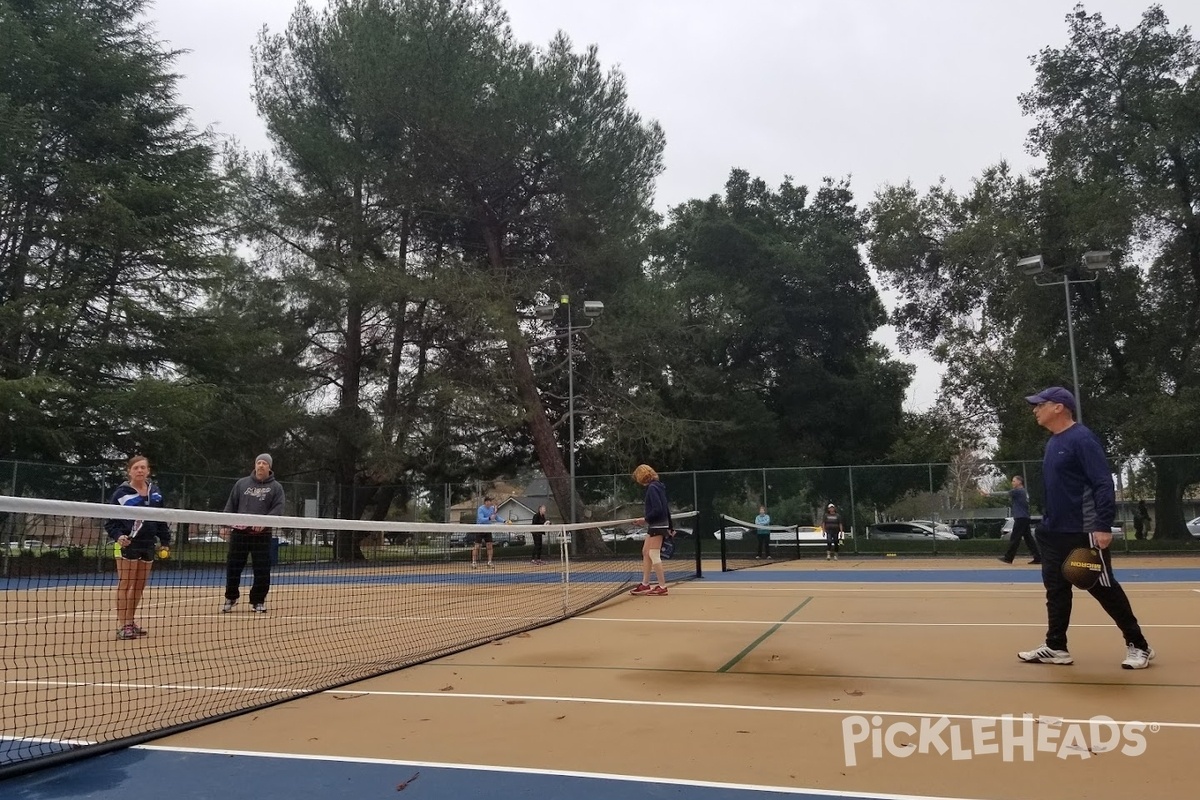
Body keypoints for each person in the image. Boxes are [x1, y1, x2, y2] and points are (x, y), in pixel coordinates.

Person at [1018, 387, 1154, 669]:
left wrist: (1102, 525)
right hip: (1054, 532)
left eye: (1039, 405)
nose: (1035, 410)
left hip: (1084, 531)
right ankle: (1056, 646)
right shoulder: (1053, 442)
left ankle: (1139, 645)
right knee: (1056, 589)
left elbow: (1103, 483)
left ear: (1058, 407)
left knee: (1103, 588)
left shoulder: (1082, 439)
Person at [104, 455, 171, 640]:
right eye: (136, 468)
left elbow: (161, 519)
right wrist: (119, 536)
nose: (140, 470)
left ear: (148, 471)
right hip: (127, 545)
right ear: (130, 471)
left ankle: (130, 621)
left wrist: (165, 541)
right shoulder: (121, 494)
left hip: (148, 544)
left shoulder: (155, 493)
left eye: (143, 468)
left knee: (140, 586)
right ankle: (124, 625)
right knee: (126, 584)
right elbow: (110, 522)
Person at [221, 454, 285, 614]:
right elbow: (231, 504)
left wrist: (264, 522)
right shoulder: (241, 484)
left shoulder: (276, 487)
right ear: (255, 465)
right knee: (233, 566)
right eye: (258, 462)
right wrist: (224, 524)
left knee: (262, 568)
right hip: (240, 534)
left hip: (262, 537)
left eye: (264, 463)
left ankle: (258, 600)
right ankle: (231, 597)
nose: (261, 465)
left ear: (269, 467)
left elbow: (278, 507)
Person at [629, 464, 672, 596]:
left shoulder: (653, 488)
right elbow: (666, 508)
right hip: (657, 525)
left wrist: (645, 519)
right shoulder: (658, 486)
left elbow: (659, 509)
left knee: (653, 554)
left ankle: (662, 586)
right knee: (645, 552)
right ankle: (645, 584)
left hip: (657, 525)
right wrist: (670, 526)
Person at [998, 476, 1041, 564]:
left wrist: (988, 494)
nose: (1012, 483)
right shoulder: (1024, 492)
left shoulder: (1018, 491)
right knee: (1029, 539)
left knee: (1015, 538)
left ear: (1019, 482)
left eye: (1014, 481)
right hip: (1025, 517)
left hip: (1020, 518)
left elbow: (1004, 493)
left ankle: (1008, 558)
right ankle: (1038, 557)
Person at [472, 496, 499, 568]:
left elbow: (496, 517)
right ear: (484, 503)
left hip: (488, 529)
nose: (488, 503)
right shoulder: (480, 509)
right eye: (486, 501)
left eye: (489, 501)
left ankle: (489, 562)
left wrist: (505, 521)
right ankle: (474, 562)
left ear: (490, 503)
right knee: (477, 546)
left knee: (490, 546)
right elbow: (481, 519)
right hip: (480, 528)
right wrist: (489, 518)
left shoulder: (492, 509)